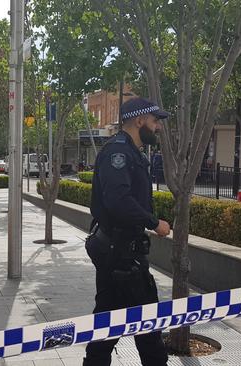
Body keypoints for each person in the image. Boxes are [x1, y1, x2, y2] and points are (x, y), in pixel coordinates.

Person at [84, 97, 171, 366]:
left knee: (108, 330)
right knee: (146, 332)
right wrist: (154, 222)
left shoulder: (132, 153)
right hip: (119, 254)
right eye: (155, 121)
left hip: (123, 252)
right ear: (139, 120)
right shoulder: (118, 153)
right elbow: (118, 200)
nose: (158, 127)